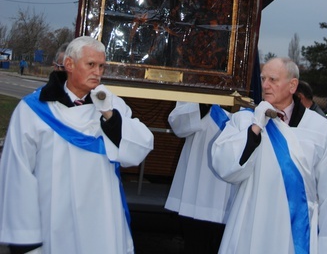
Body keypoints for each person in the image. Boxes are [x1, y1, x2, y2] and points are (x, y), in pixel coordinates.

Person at [0, 36, 154, 254]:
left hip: (101, 221)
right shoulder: (33, 111)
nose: (98, 72)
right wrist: (25, 239)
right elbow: (18, 174)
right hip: (53, 220)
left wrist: (110, 117)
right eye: (91, 65)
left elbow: (139, 149)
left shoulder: (112, 104)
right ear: (70, 65)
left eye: (101, 66)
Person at [211, 57, 327, 254]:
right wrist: (255, 128)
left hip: (295, 231)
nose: (265, 85)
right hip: (251, 224)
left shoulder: (322, 129)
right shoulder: (244, 120)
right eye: (263, 78)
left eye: (273, 79)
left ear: (293, 85)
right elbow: (225, 169)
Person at [165, 102, 235, 254]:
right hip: (197, 188)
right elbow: (177, 124)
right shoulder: (199, 84)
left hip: (233, 189)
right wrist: (203, 105)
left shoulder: (254, 86)